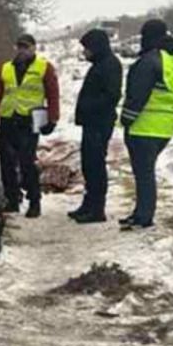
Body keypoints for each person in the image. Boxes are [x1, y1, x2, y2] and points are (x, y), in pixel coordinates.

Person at [119, 19, 173, 231]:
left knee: (144, 174)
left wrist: (126, 119)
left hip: (143, 126)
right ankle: (141, 212)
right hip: (165, 126)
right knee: (146, 172)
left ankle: (144, 216)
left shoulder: (149, 61)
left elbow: (137, 95)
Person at [0, 33, 60, 217]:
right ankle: (12, 200)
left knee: (27, 162)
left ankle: (34, 201)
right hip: (8, 119)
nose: (22, 50)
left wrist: (52, 119)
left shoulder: (44, 67)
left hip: (29, 120)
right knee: (7, 163)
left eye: (26, 47)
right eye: (19, 47)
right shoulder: (6, 68)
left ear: (34, 48)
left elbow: (53, 95)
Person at [70, 29, 123, 223]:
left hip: (100, 122)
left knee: (95, 164)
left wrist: (89, 107)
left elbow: (112, 96)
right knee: (88, 163)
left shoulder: (110, 65)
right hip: (92, 122)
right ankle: (89, 203)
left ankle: (97, 208)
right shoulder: (100, 64)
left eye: (87, 48)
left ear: (96, 47)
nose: (85, 52)